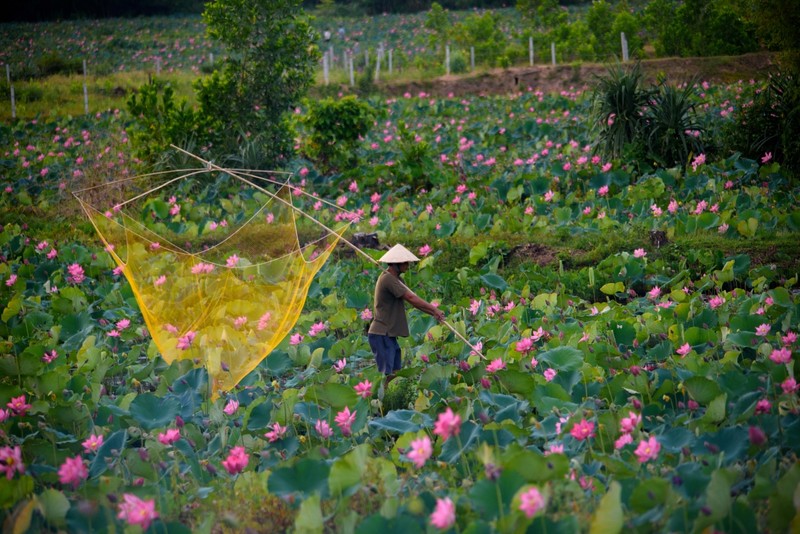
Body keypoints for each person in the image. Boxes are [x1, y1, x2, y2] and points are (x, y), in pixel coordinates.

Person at [368, 244, 445, 383]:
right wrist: (434, 309)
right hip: (382, 333)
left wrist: (433, 313)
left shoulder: (397, 279)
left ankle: (391, 400)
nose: (407, 265)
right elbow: (411, 298)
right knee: (388, 375)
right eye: (405, 262)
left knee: (396, 372)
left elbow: (414, 301)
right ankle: (383, 402)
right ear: (396, 264)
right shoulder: (387, 278)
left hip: (389, 334)